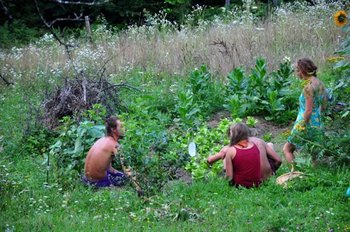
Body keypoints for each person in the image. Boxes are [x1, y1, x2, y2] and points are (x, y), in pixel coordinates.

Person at [207, 123, 282, 188]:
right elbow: (278, 161)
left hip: (245, 181)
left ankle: (226, 170)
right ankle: (268, 172)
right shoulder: (258, 141)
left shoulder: (229, 148)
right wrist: (272, 170)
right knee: (270, 145)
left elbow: (210, 161)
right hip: (266, 177)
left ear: (232, 136)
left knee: (226, 155)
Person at [283, 58, 327, 164]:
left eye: (297, 70)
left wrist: (300, 127)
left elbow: (308, 111)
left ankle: (296, 175)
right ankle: (314, 176)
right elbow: (324, 105)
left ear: (302, 71)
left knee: (287, 149)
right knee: (314, 154)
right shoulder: (319, 83)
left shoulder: (308, 87)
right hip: (318, 122)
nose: (296, 73)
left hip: (306, 123)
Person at [82, 116, 128, 188]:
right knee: (125, 180)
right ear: (113, 129)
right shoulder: (114, 145)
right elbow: (127, 167)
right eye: (121, 126)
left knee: (122, 176)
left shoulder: (102, 139)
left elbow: (107, 167)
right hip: (97, 182)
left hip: (86, 179)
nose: (124, 129)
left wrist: (119, 173)